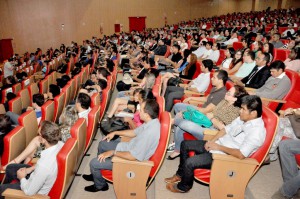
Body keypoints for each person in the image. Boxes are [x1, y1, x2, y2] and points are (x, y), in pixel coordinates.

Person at [165, 95, 266, 193]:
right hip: (218, 145)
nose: (240, 111)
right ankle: (180, 175)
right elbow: (225, 130)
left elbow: (241, 154)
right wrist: (212, 141)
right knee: (185, 144)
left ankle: (184, 186)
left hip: (225, 157)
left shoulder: (257, 132)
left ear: (253, 113)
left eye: (243, 109)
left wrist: (218, 147)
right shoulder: (243, 118)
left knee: (190, 162)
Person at [82, 99, 160, 192]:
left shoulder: (149, 133)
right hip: (129, 147)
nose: (138, 112)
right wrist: (115, 132)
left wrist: (112, 152)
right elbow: (134, 132)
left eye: (141, 110)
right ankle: (96, 174)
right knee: (102, 144)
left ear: (147, 114)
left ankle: (100, 185)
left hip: (130, 161)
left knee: (93, 163)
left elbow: (133, 156)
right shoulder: (151, 122)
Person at [168, 85, 248, 159]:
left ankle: (173, 121)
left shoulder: (237, 111)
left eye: (229, 93)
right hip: (206, 122)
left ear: (235, 99)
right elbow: (211, 112)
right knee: (181, 122)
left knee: (183, 123)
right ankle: (177, 150)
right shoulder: (224, 101)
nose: (226, 93)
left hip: (214, 132)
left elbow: (224, 129)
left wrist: (212, 118)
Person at [0, 121, 63, 198]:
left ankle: (9, 194)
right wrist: (30, 169)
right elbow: (39, 160)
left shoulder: (43, 166)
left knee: (1, 190)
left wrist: (22, 177)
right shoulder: (60, 144)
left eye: (39, 134)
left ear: (44, 140)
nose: (37, 136)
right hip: (37, 176)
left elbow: (29, 192)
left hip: (34, 192)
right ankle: (9, 186)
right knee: (10, 168)